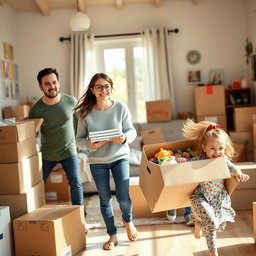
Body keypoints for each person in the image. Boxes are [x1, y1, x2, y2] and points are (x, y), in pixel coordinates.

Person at [75, 73, 138, 250]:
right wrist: (90, 144)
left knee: (123, 198)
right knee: (104, 200)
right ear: (92, 90)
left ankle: (128, 221)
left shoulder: (120, 108)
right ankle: (112, 235)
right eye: (99, 87)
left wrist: (125, 138)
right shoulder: (84, 113)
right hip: (97, 161)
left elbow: (131, 130)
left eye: (107, 86)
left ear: (111, 88)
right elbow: (78, 140)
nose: (104, 90)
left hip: (119, 157)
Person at [178, 119, 249, 256]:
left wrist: (240, 174)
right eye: (212, 148)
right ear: (204, 148)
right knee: (210, 221)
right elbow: (188, 164)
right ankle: (213, 253)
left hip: (218, 198)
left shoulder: (223, 160)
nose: (217, 152)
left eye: (221, 149)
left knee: (216, 225)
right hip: (201, 196)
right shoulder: (200, 159)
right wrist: (181, 161)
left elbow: (234, 168)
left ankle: (199, 222)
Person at [28, 68, 87, 221]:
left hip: (69, 150)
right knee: (37, 184)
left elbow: (76, 121)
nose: (51, 86)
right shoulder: (36, 110)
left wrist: (77, 141)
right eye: (47, 84)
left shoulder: (71, 101)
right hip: (48, 153)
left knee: (76, 183)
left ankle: (81, 218)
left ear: (59, 83)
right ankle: (34, 216)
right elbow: (30, 134)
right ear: (41, 87)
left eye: (54, 82)